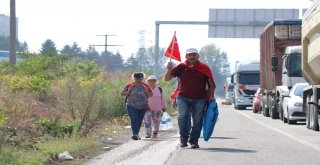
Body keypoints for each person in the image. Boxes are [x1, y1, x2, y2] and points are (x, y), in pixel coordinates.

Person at [164, 48, 216, 149]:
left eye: (194, 55)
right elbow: (167, 78)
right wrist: (169, 69)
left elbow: (211, 83)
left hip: (200, 98)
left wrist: (212, 96)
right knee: (182, 117)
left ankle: (194, 140)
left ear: (198, 56)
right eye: (190, 55)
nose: (192, 57)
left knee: (197, 121)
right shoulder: (181, 67)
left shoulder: (204, 67)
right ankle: (183, 138)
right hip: (183, 97)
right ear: (186, 56)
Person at [121, 72, 153, 140]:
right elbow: (122, 93)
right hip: (131, 106)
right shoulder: (129, 85)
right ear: (134, 78)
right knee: (134, 119)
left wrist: (147, 91)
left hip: (143, 107)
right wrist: (128, 91)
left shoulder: (145, 86)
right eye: (138, 78)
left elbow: (151, 95)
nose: (140, 80)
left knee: (139, 120)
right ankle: (135, 134)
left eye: (141, 78)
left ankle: (136, 134)